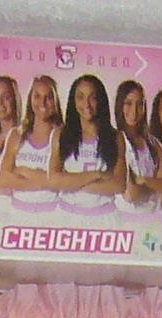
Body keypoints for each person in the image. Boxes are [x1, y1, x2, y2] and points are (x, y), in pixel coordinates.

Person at [54, 72, 120, 213]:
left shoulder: (115, 137)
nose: (87, 104)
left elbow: (119, 185)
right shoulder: (60, 134)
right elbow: (54, 180)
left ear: (100, 100)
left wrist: (71, 182)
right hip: (67, 216)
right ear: (73, 101)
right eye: (80, 97)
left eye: (93, 97)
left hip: (104, 217)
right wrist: (97, 175)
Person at [0, 74, 63, 212]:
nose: (42, 103)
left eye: (48, 97)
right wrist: (42, 182)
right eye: (37, 96)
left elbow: (62, 181)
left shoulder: (63, 137)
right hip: (18, 213)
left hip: (52, 215)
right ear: (30, 99)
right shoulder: (16, 135)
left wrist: (23, 171)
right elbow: (3, 178)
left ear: (56, 101)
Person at [113, 78, 162, 212]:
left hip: (153, 219)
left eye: (140, 104)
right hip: (126, 219)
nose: (134, 111)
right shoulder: (114, 141)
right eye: (128, 103)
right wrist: (156, 187)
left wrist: (144, 182)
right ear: (120, 105)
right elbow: (131, 194)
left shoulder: (153, 143)